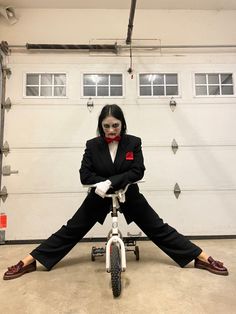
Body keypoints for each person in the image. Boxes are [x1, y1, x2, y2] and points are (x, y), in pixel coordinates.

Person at [3, 104, 228, 280]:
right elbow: (85, 175)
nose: (111, 130)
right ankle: (29, 261)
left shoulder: (133, 143)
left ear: (122, 124)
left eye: (115, 126)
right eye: (107, 126)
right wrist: (103, 186)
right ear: (101, 125)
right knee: (72, 229)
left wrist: (109, 181)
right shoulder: (92, 145)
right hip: (99, 197)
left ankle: (201, 258)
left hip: (129, 194)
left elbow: (137, 171)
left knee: (158, 228)